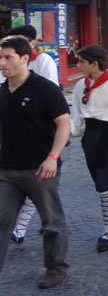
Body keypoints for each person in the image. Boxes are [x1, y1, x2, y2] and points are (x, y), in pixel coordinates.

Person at [0, 35, 70, 289]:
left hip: (41, 169)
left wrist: (52, 158)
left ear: (25, 58)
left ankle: (56, 268)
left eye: (8, 57)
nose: (2, 62)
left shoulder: (45, 89)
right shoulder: (2, 91)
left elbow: (64, 125)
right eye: (0, 57)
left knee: (51, 222)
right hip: (6, 169)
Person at [70, 45, 108, 253]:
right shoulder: (80, 85)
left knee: (105, 183)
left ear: (94, 64)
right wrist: (69, 131)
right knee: (100, 182)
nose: (78, 65)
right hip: (90, 136)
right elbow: (77, 116)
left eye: (81, 62)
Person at [5, 25, 59, 245]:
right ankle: (19, 228)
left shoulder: (43, 61)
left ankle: (24, 228)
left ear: (31, 43)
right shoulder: (8, 63)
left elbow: (50, 95)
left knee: (38, 180)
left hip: (41, 132)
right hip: (16, 133)